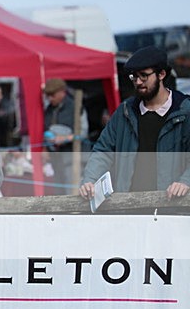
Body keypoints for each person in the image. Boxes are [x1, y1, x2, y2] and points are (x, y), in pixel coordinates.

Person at [79, 46, 190, 201]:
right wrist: (89, 180)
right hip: (129, 205)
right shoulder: (125, 111)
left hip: (170, 206)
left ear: (161, 74)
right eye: (134, 77)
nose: (138, 82)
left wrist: (185, 182)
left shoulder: (185, 110)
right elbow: (103, 149)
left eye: (144, 76)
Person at [43, 78, 88, 195]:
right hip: (57, 159)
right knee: (59, 190)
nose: (49, 98)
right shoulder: (49, 110)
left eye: (52, 95)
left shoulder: (76, 106)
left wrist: (65, 138)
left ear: (62, 92)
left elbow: (83, 132)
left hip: (74, 157)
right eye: (47, 95)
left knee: (72, 190)